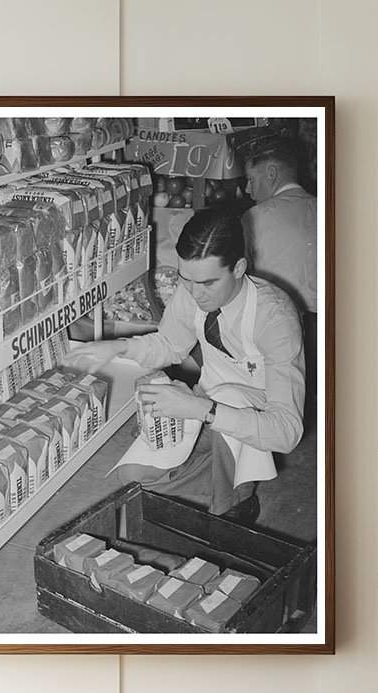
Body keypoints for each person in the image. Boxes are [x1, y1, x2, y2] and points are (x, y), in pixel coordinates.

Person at [63, 209, 305, 523]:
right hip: (205, 404)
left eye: (207, 283)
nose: (195, 293)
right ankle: (221, 479)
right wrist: (119, 347)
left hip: (251, 419)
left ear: (239, 268)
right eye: (186, 280)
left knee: (230, 397)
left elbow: (287, 431)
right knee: (133, 477)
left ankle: (235, 504)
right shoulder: (193, 288)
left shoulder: (275, 318)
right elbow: (169, 345)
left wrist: (200, 409)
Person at [240, 133, 318, 425]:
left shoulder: (255, 217)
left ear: (271, 174)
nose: (248, 189)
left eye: (251, 179)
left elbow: (243, 279)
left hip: (283, 328)